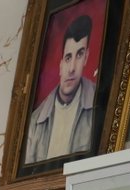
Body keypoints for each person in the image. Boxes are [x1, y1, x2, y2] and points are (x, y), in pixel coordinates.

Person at [24, 14, 97, 165]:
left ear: (86, 58)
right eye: (68, 57)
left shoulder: (100, 105)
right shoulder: (36, 121)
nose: (72, 68)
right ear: (60, 64)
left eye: (79, 55)